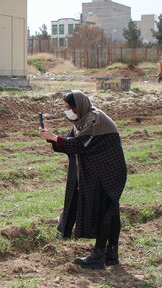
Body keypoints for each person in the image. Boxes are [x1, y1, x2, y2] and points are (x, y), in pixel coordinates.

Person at [40, 90, 127, 269]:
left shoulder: (95, 119)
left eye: (68, 107)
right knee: (110, 211)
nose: (67, 111)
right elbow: (70, 143)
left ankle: (98, 256)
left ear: (78, 105)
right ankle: (111, 254)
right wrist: (52, 138)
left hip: (109, 172)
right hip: (100, 171)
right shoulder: (82, 121)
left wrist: (55, 138)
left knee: (105, 211)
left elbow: (81, 144)